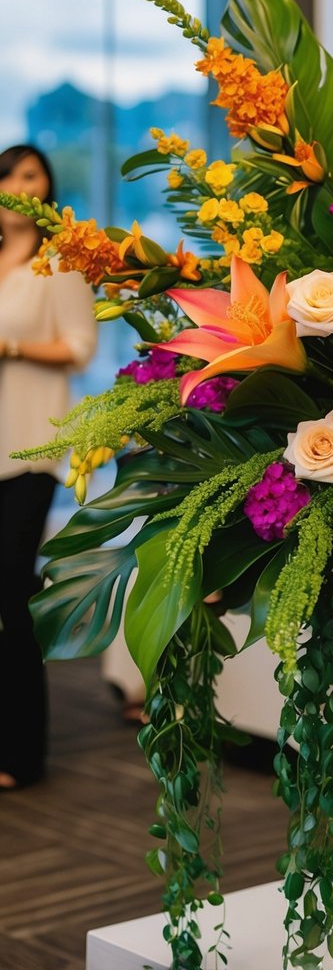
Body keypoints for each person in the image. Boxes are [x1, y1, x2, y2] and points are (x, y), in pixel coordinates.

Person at [0, 144, 97, 789]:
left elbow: (82, 347)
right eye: (6, 173)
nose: (14, 185)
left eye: (28, 175)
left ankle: (20, 752)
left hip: (28, 449)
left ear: (45, 190)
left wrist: (9, 343)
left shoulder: (57, 262)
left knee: (12, 593)